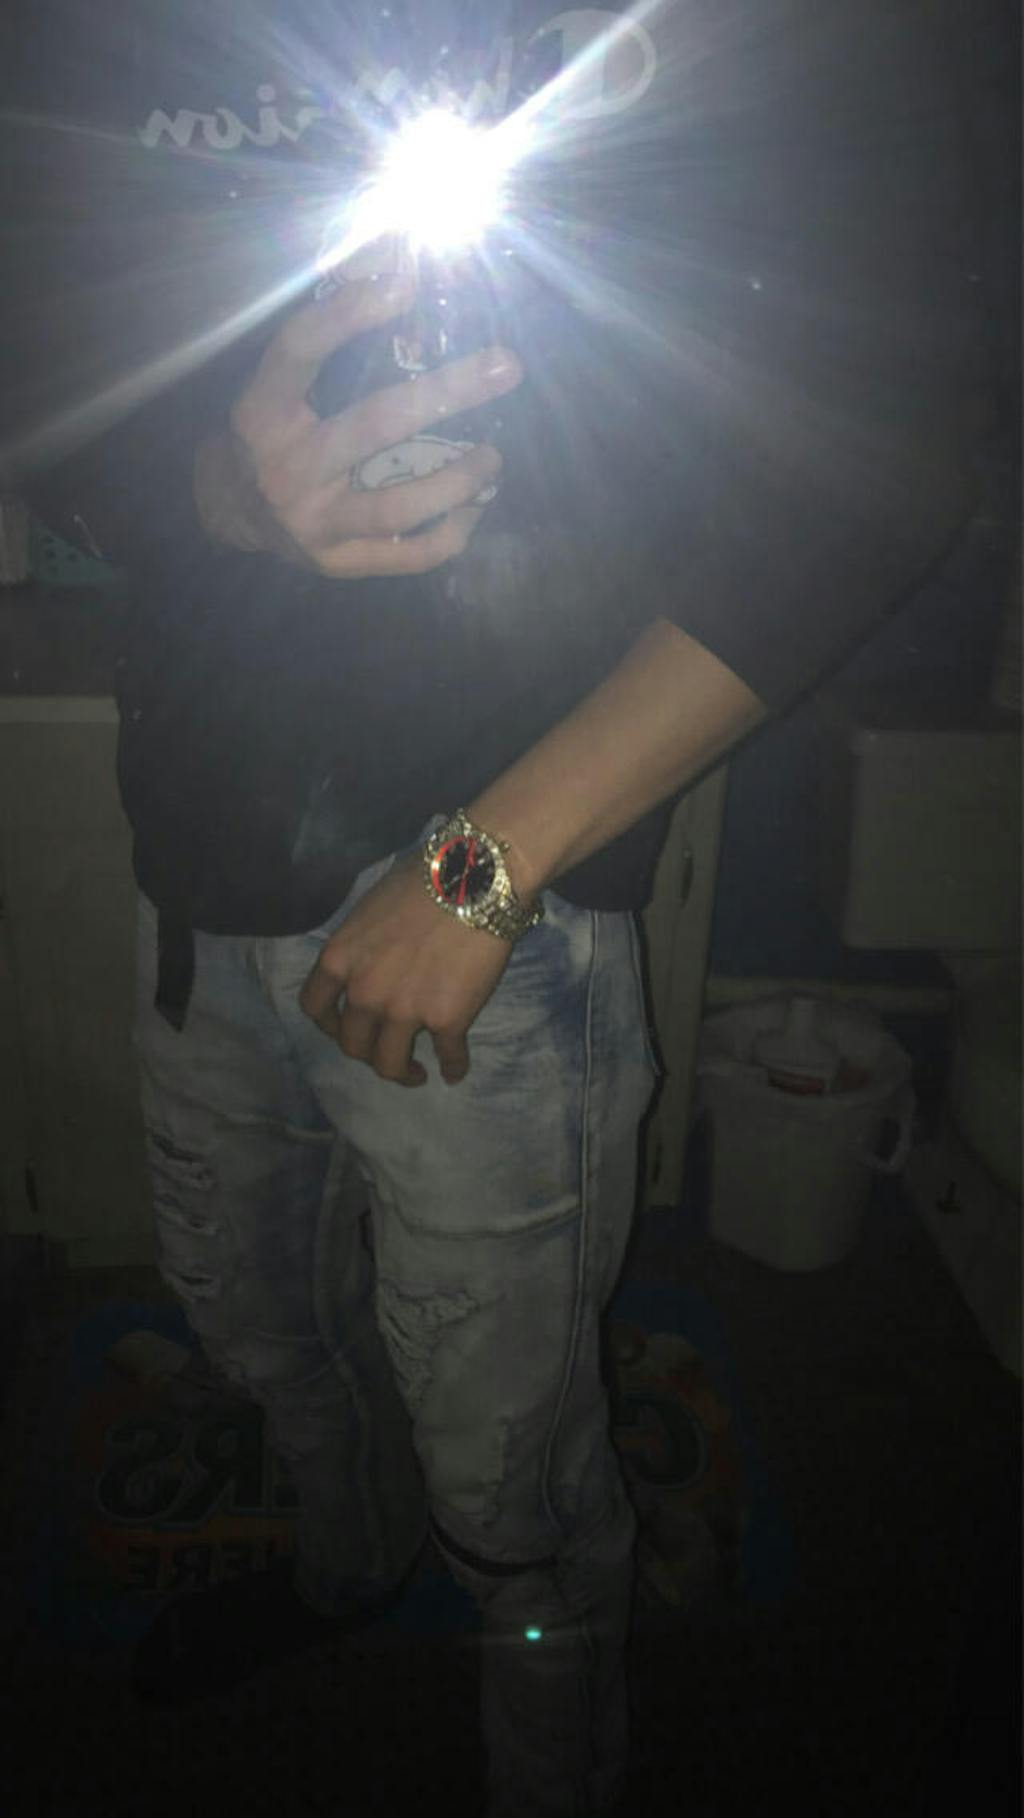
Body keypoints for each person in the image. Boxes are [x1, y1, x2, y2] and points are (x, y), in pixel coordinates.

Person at [2, 1, 981, 1812]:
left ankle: (552, 1767)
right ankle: (344, 1564)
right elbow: (62, 369)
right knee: (260, 1330)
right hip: (195, 875)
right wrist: (216, 485)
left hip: (502, 940)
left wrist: (483, 868)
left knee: (513, 1477)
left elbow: (884, 452)